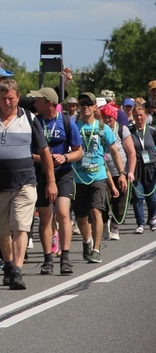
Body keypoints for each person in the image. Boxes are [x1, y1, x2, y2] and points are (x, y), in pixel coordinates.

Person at [0, 79, 56, 290]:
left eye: (12, 97)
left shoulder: (29, 118)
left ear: (18, 98)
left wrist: (51, 181)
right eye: (4, 98)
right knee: (2, 230)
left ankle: (16, 270)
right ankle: (8, 264)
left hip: (24, 183)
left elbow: (44, 151)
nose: (8, 101)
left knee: (20, 226)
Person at [27, 87, 83, 275]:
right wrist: (43, 158)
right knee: (45, 217)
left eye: (38, 100)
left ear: (49, 103)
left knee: (63, 213)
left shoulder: (66, 122)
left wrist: (65, 157)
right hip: (41, 173)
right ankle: (47, 259)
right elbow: (27, 151)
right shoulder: (34, 121)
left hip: (64, 173)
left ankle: (65, 258)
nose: (35, 104)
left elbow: (78, 151)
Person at [71, 92, 127, 263]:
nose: (85, 106)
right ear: (79, 107)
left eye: (89, 103)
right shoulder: (74, 127)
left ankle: (96, 249)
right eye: (82, 103)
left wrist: (122, 174)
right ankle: (87, 241)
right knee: (81, 218)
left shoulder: (103, 128)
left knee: (96, 211)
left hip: (98, 176)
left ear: (95, 107)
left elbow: (115, 152)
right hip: (78, 177)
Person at [100, 103, 136, 240]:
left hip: (121, 172)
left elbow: (132, 153)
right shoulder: (100, 129)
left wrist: (130, 172)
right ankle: (104, 224)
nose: (107, 119)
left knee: (120, 202)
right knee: (103, 200)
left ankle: (115, 227)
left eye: (109, 117)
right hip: (103, 172)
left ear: (114, 117)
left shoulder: (122, 130)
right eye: (104, 116)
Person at [128, 105, 156, 233]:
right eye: (136, 115)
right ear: (133, 117)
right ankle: (140, 223)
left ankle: (152, 218)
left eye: (141, 115)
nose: (139, 118)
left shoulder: (152, 130)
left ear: (145, 115)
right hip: (137, 166)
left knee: (152, 197)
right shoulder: (129, 131)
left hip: (151, 167)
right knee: (138, 196)